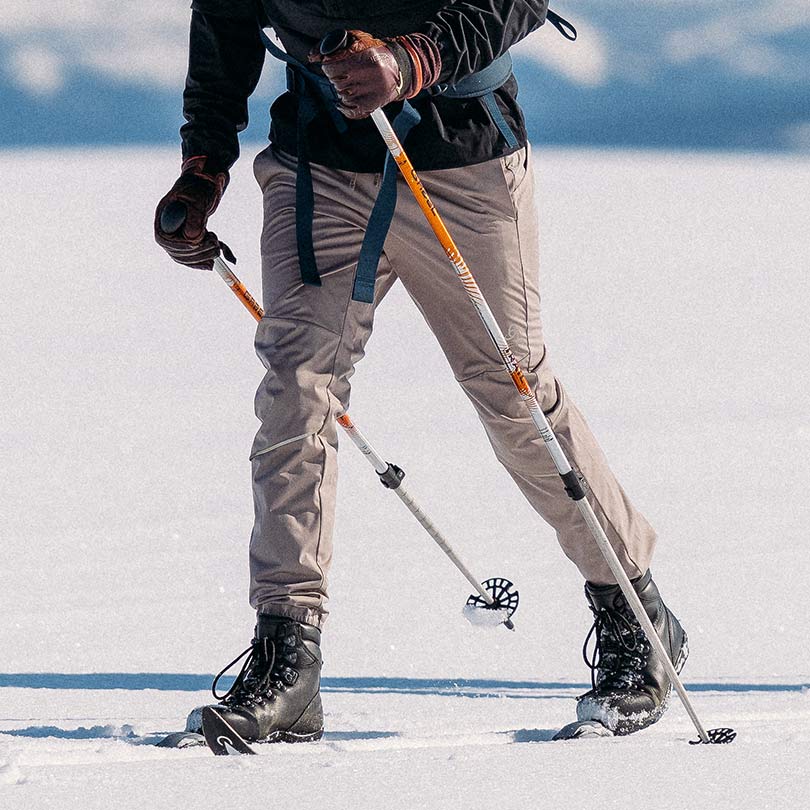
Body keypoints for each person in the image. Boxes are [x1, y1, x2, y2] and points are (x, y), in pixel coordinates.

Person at [154, 0, 686, 742]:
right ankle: (288, 654)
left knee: (513, 390)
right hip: (319, 162)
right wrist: (203, 167)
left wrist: (412, 61)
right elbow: (224, 22)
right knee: (295, 385)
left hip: (462, 158)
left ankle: (636, 614)